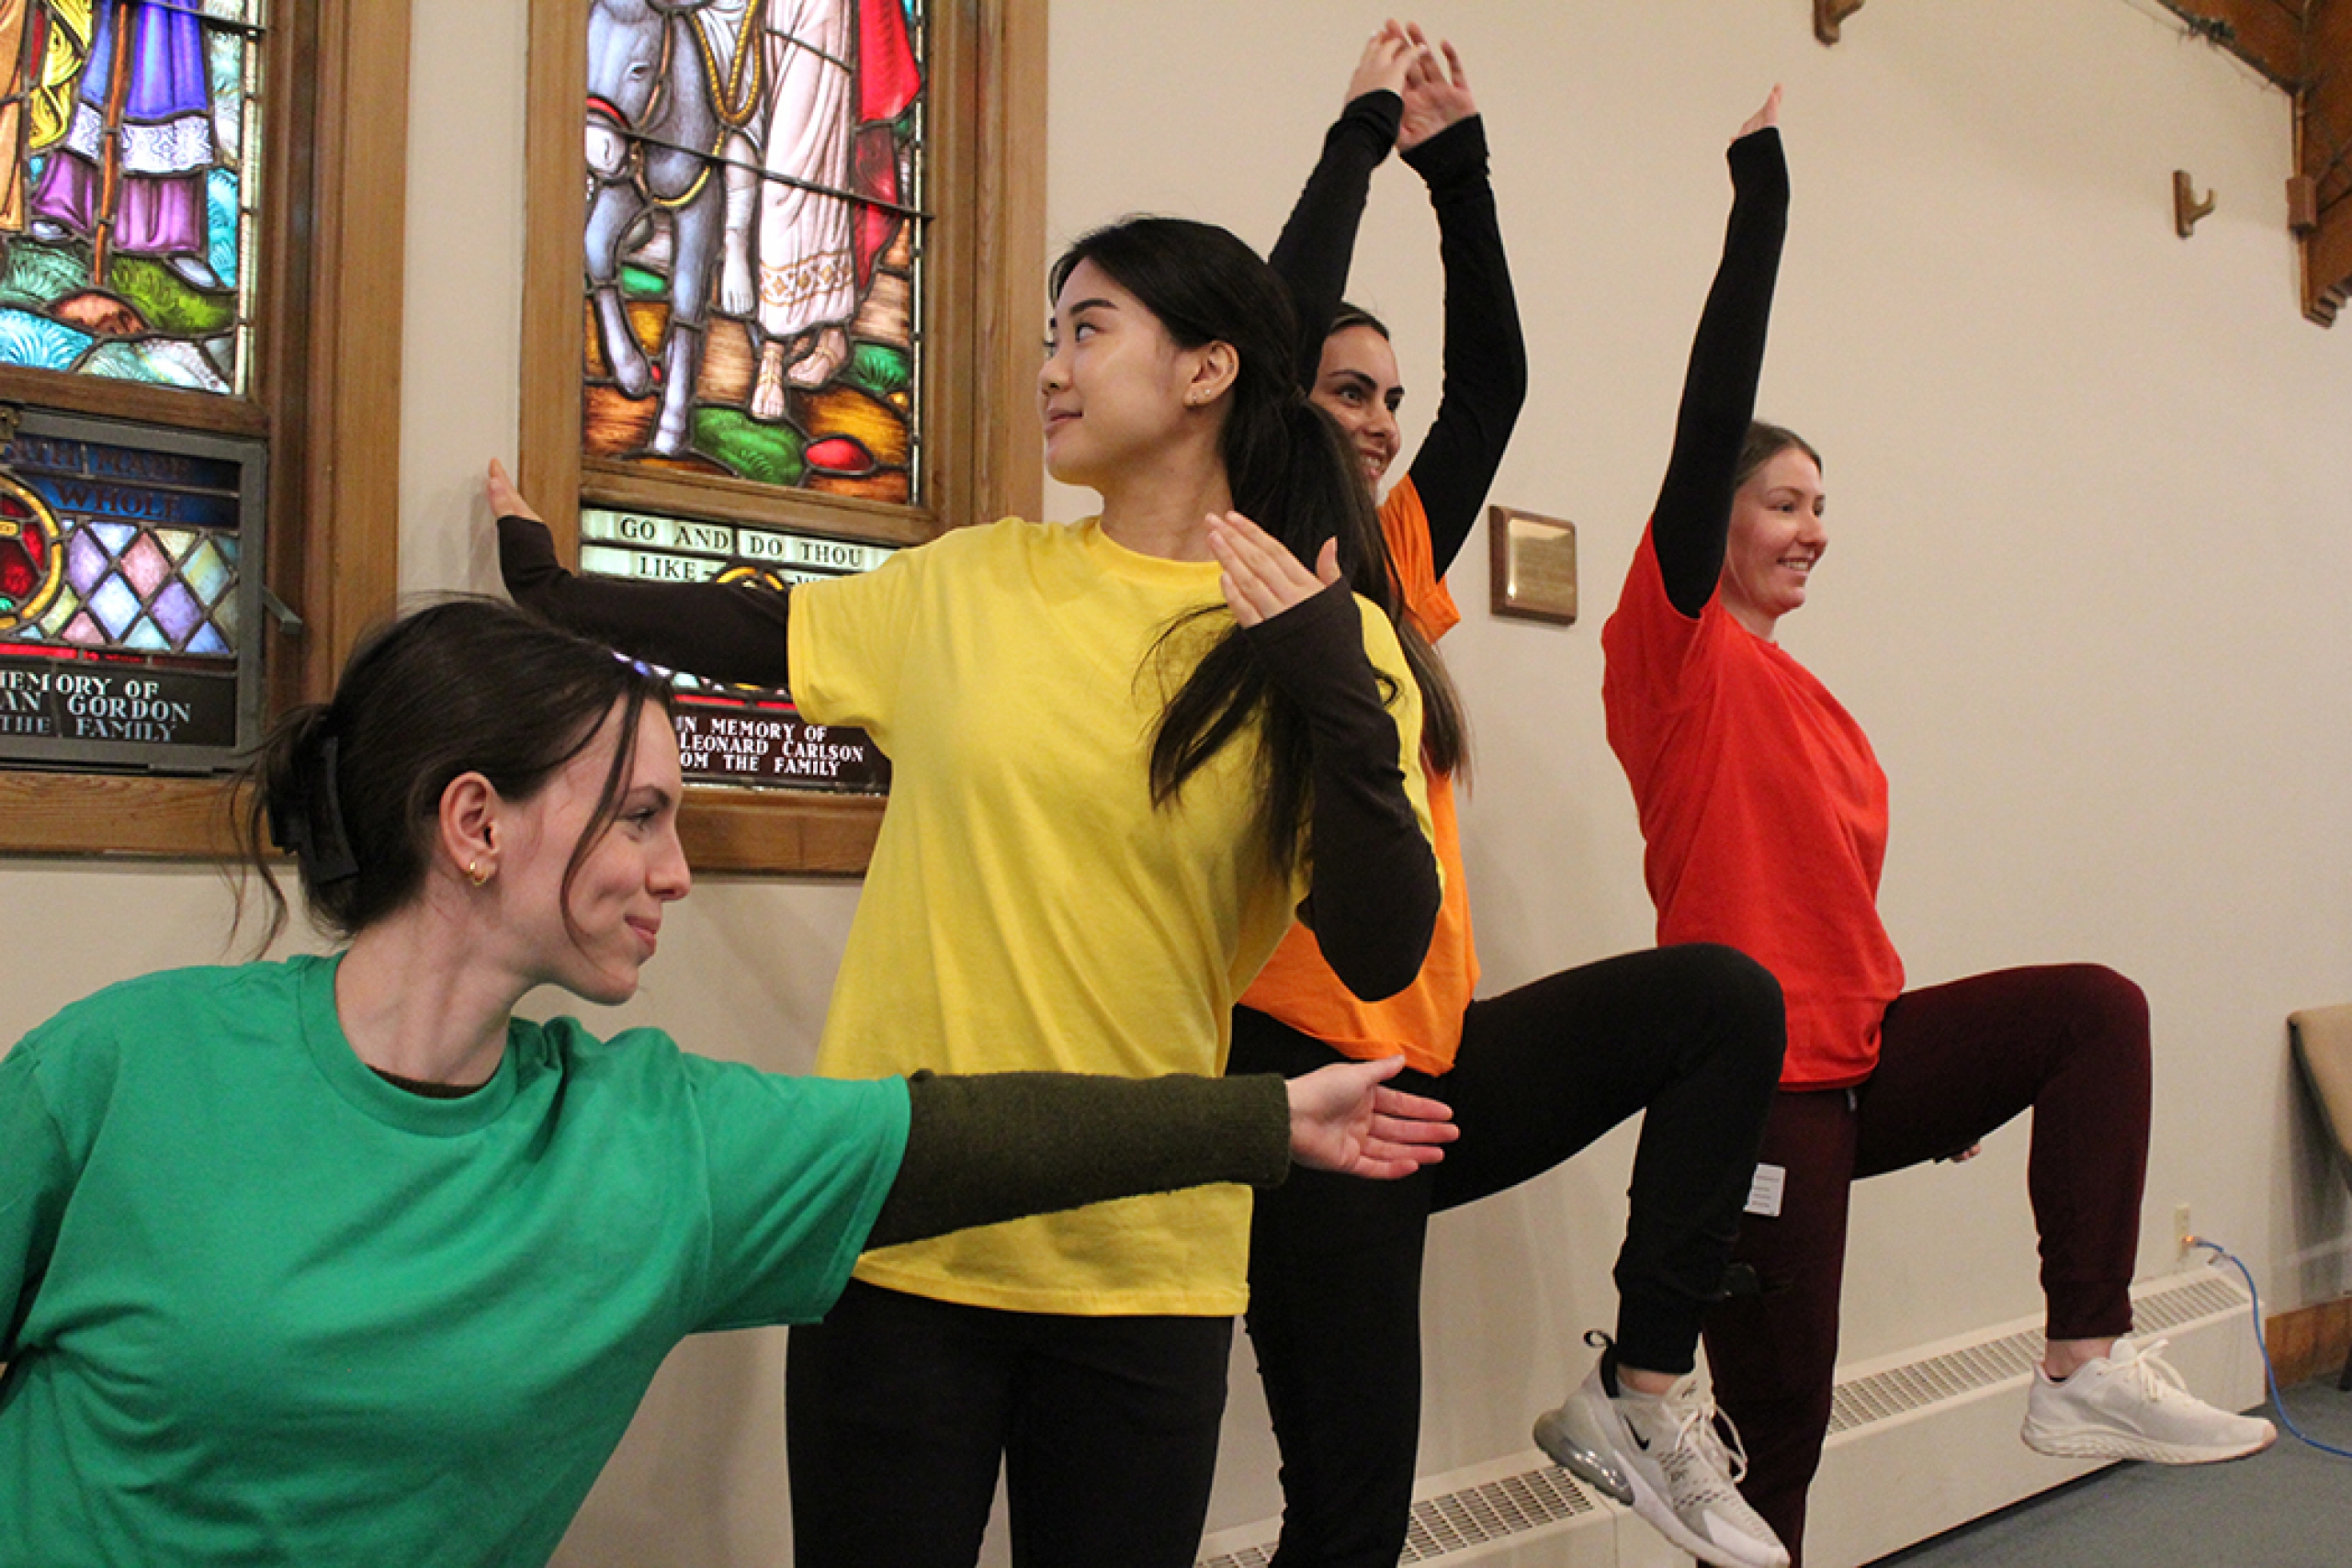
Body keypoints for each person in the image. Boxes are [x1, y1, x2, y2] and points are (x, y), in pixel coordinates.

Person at [0, 597, 1458, 1568]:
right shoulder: (125, 1066)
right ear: (474, 824)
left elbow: (960, 1135)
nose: (676, 872)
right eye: (639, 817)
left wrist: (1266, 1116)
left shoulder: (650, 1146)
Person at [492, 209, 1444, 1567]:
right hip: (894, 1227)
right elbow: (762, 633)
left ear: (1206, 368)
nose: (1051, 367)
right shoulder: (978, 582)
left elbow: (1379, 943)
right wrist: (553, 590)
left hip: (1143, 1264)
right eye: (1051, 337)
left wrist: (1328, 687)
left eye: (1089, 330)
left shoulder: (1320, 637)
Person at [1597, 88, 2276, 1567]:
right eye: (1784, 500)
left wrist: (1951, 1078)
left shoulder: (1821, 706)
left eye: (1824, 503)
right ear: (1711, 516)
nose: (1816, 526)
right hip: (1754, 1088)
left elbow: (1836, 920)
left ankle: (2082, 1363)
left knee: (2095, 1013)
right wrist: (1761, 205)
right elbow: (1711, 404)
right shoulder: (1674, 656)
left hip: (1859, 1060)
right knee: (1777, 1435)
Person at [1235, 28, 1790, 1568]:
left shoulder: (1396, 557)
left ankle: (1640, 1387)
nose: (1379, 417)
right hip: (1308, 1092)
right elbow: (1274, 336)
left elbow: (1498, 381)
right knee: (1349, 1524)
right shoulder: (1255, 543)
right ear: (1286, 400)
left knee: (1725, 1007)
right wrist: (1359, 133)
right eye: (1348, 388)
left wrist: (1460, 170)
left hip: (1432, 1064)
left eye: (1388, 397)